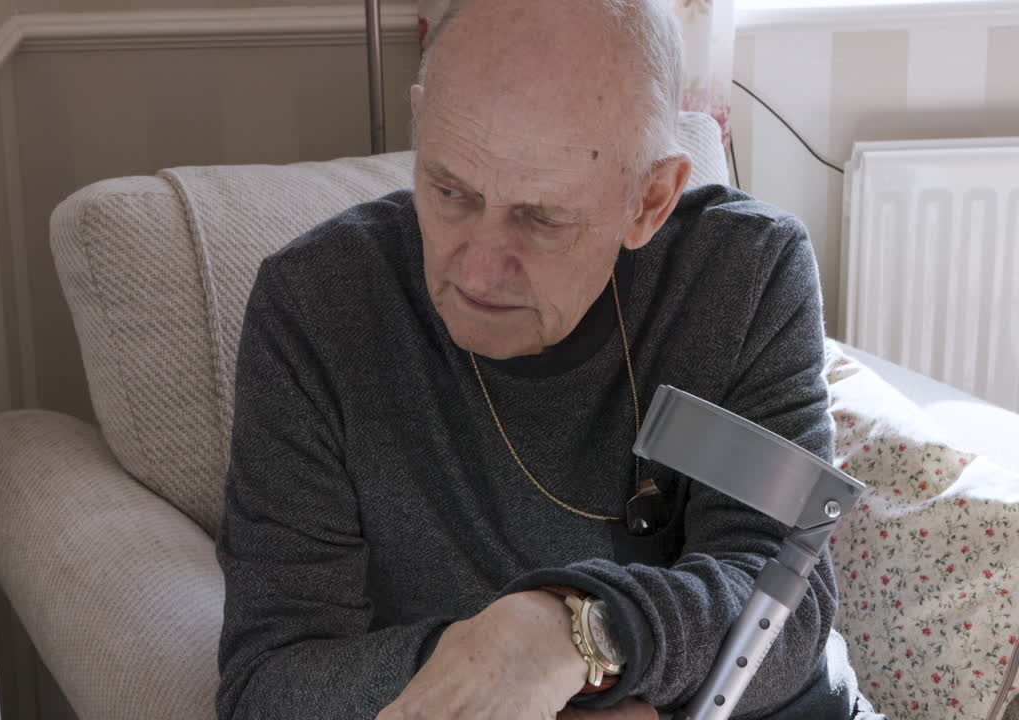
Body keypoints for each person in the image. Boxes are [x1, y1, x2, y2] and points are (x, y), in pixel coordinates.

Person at [215, 0, 882, 718]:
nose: (477, 270)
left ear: (650, 200)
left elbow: (783, 608)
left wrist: (579, 632)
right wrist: (495, 664)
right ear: (421, 122)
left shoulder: (743, 273)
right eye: (450, 192)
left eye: (541, 218)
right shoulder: (317, 305)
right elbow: (269, 682)